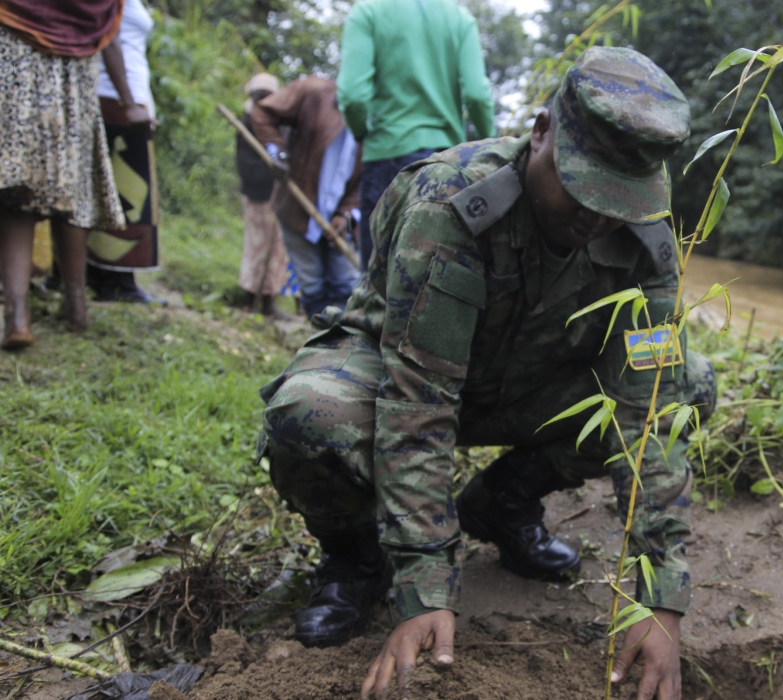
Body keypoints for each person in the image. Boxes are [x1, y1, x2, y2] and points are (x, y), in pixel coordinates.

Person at [257, 47, 715, 700]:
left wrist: (660, 599)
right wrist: (425, 587)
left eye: (618, 199)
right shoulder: (451, 205)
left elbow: (651, 416)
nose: (596, 216)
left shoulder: (645, 241)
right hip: (402, 374)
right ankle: (357, 558)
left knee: (693, 387)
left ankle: (502, 502)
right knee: (309, 417)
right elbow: (418, 400)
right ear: (540, 132)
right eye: (582, 184)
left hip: (529, 386)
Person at [0, 0, 151, 349]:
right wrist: (129, 102)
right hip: (75, 74)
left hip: (16, 63)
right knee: (75, 188)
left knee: (18, 193)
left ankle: (17, 317)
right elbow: (108, 36)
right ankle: (75, 306)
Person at [337, 0, 494, 270]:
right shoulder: (458, 18)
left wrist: (362, 133)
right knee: (436, 276)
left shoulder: (368, 12)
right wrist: (490, 144)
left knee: (377, 281)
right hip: (446, 164)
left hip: (386, 158)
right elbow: (478, 97)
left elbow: (352, 97)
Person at [251, 76, 362, 318]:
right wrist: (276, 151)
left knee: (347, 288)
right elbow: (262, 113)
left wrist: (347, 214)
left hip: (339, 223)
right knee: (312, 288)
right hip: (298, 209)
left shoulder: (378, 123)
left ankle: (345, 347)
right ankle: (322, 346)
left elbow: (366, 179)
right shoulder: (313, 92)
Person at [87, 0, 165, 305]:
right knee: (124, 195)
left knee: (123, 192)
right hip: (113, 97)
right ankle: (115, 281)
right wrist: (129, 103)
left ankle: (107, 277)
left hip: (127, 99)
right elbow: (109, 39)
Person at [236, 72, 292, 319]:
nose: (262, 101)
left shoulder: (279, 122)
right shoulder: (247, 122)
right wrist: (267, 172)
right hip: (257, 192)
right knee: (256, 245)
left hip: (277, 194)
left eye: (267, 96)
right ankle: (251, 299)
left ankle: (268, 301)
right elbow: (245, 161)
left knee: (276, 246)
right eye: (258, 96)